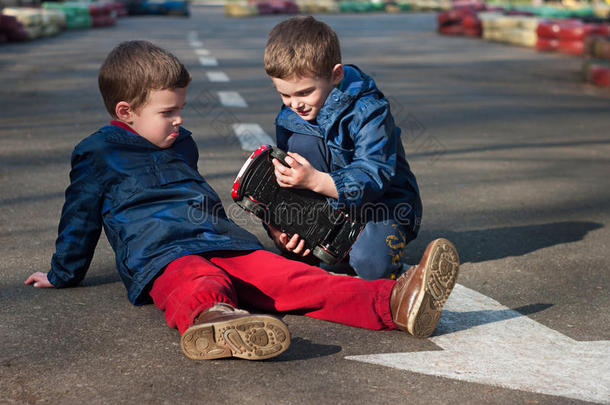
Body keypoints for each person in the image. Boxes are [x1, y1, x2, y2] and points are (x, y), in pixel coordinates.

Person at [24, 40, 460, 362]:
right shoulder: (97, 153)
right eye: (167, 113)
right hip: (159, 253)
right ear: (126, 112)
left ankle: (393, 303)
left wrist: (268, 227)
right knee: (194, 280)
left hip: (221, 239)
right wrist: (63, 273)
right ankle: (214, 320)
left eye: (181, 109)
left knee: (293, 280)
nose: (179, 120)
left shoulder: (182, 144)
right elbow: (79, 218)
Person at [264, 16, 424, 280]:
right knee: (296, 252)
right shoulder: (291, 113)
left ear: (335, 75)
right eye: (284, 94)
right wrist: (277, 226)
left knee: (372, 265)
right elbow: (284, 180)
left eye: (304, 93)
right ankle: (332, 242)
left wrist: (315, 180)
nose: (294, 103)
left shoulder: (369, 110)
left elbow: (375, 174)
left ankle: (385, 254)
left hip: (381, 206)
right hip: (327, 206)